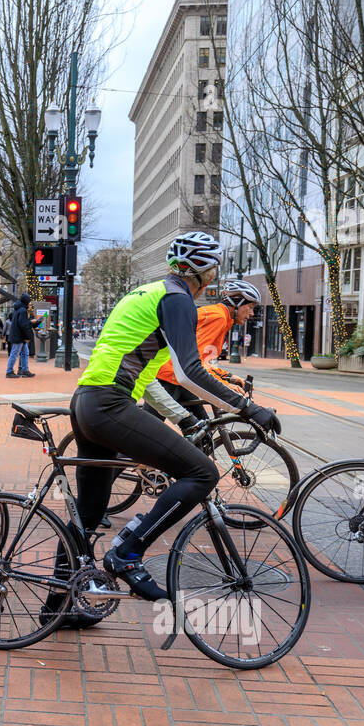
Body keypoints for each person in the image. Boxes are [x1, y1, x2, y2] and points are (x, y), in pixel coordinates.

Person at [58, 232, 281, 625]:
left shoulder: (144, 293)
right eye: (213, 265)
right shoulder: (177, 299)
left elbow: (150, 376)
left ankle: (59, 606)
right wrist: (249, 408)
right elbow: (189, 371)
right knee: (202, 472)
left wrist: (183, 417)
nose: (215, 273)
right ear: (200, 268)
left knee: (89, 512)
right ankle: (128, 553)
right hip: (110, 403)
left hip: (88, 402)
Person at [150, 277, 261, 423]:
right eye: (250, 307)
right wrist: (226, 385)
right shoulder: (218, 318)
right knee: (147, 434)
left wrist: (227, 376)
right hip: (169, 376)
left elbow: (201, 361)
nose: (252, 313)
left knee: (201, 429)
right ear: (237, 302)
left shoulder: (222, 317)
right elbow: (194, 363)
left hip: (176, 377)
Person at [5, 296, 36, 378]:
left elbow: (22, 323)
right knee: (15, 353)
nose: (30, 303)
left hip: (18, 335)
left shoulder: (19, 309)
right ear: (26, 301)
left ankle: (24, 370)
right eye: (29, 301)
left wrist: (29, 322)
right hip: (19, 336)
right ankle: (9, 371)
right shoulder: (22, 311)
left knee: (24, 353)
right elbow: (23, 325)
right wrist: (27, 337)